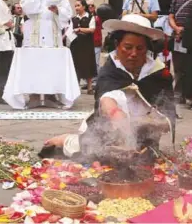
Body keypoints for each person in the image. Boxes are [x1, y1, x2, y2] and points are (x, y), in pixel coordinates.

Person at [41, 14, 176, 162]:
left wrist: (143, 124)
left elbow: (167, 118)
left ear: (147, 49)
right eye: (128, 47)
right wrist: (121, 128)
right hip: (109, 129)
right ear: (117, 46)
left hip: (145, 132)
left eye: (140, 48)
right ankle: (65, 140)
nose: (133, 54)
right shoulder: (110, 71)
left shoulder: (158, 73)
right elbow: (107, 102)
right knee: (92, 152)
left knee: (143, 161)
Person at [2, 0, 80, 109]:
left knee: (51, 66)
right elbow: (25, 8)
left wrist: (57, 10)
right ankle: (34, 96)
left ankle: (51, 96)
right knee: (34, 66)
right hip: (33, 34)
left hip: (52, 33)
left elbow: (68, 12)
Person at [168, 0, 192, 110]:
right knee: (178, 67)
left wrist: (187, 29)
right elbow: (171, 16)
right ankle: (178, 95)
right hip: (178, 37)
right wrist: (176, 28)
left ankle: (190, 95)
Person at [71, 0, 97, 95]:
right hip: (76, 45)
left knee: (88, 64)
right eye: (75, 6)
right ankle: (76, 87)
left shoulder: (90, 17)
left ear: (84, 7)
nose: (76, 8)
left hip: (87, 45)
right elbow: (70, 30)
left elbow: (92, 29)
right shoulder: (73, 19)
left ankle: (90, 87)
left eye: (78, 5)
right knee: (76, 65)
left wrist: (80, 29)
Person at [87, 0, 103, 86]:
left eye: (92, 5)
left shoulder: (98, 17)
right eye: (88, 5)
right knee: (88, 62)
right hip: (87, 43)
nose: (90, 7)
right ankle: (89, 81)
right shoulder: (84, 16)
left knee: (96, 63)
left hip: (96, 42)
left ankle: (95, 80)